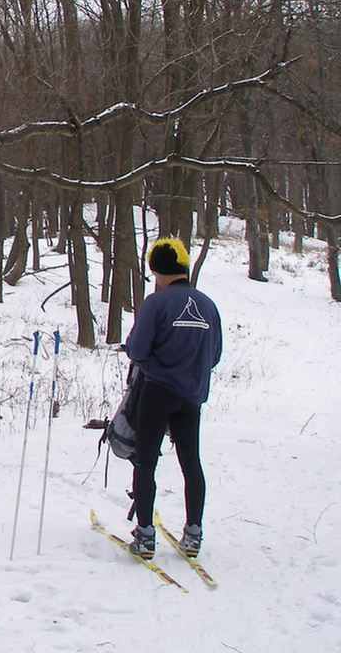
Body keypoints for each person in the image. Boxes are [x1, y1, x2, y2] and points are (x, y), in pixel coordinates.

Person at [124, 237, 222, 559]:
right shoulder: (207, 305)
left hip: (157, 392)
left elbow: (136, 349)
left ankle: (145, 536)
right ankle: (193, 533)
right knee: (191, 463)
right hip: (191, 397)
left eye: (155, 275)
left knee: (145, 462)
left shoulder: (157, 303)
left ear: (161, 273)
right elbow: (215, 355)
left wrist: (156, 364)